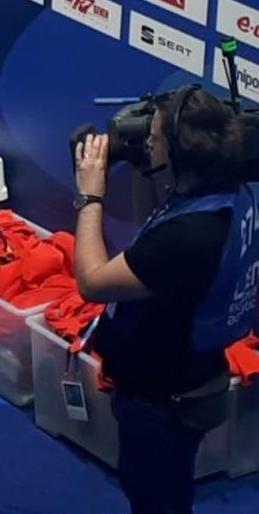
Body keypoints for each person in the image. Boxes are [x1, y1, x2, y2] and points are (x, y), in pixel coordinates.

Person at [74, 88, 254, 514]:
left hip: (162, 399)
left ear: (178, 154)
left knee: (156, 497)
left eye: (153, 139)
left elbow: (93, 283)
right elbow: (150, 235)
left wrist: (89, 198)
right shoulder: (225, 194)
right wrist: (144, 169)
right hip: (190, 376)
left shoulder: (192, 236)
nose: (146, 143)